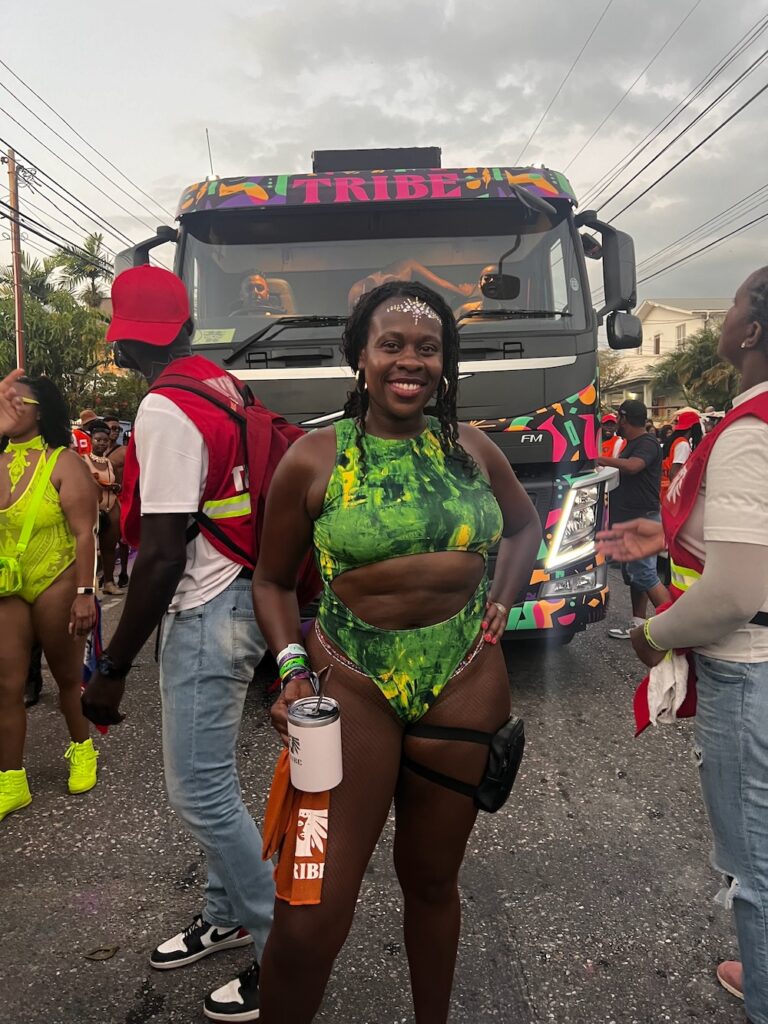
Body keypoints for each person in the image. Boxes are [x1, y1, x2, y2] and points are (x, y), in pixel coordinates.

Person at [252, 280, 542, 1023]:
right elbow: (273, 582)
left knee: (433, 883)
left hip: (464, 684)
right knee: (310, 907)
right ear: (360, 357)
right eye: (392, 345)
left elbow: (524, 526)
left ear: (445, 364)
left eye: (428, 347)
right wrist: (290, 672)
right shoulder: (313, 458)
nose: (410, 360)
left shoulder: (474, 449)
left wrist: (503, 601)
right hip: (350, 687)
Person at [81, 265, 275, 1022]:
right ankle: (226, 914)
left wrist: (113, 668)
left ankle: (280, 944)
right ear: (187, 329)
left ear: (127, 346)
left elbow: (161, 552)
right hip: (241, 591)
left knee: (198, 791)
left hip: (207, 606)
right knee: (216, 778)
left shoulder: (166, 406)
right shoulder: (223, 386)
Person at [596, 267, 768, 1024]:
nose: (723, 318)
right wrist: (667, 535)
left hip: (749, 674)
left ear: (753, 332)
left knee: (755, 865)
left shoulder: (748, 434)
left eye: (732, 304)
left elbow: (733, 595)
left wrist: (651, 634)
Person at [0, 375, 100, 821]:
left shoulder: (64, 462)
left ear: (40, 409)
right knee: (6, 685)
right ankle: (11, 780)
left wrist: (85, 593)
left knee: (64, 678)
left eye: (18, 401)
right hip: (8, 586)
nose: (9, 407)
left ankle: (82, 748)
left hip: (57, 580)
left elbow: (85, 533)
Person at [598, 398, 669, 639]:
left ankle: (674, 626)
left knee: (645, 574)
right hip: (632, 517)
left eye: (618, 418)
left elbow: (633, 467)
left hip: (643, 517)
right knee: (635, 575)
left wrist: (597, 459)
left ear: (623, 418)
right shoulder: (633, 442)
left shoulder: (647, 443)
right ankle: (638, 625)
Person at [82, 421, 123, 595]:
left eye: (105, 440)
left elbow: (119, 484)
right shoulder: (83, 461)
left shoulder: (109, 463)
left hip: (111, 507)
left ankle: (109, 583)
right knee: (88, 549)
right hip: (91, 509)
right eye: (98, 439)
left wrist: (115, 486)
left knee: (109, 548)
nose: (102, 443)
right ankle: (88, 587)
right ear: (92, 440)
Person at [102, 412, 130, 588]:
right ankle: (107, 575)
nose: (116, 432)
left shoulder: (124, 452)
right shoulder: (97, 450)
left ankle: (124, 572)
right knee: (104, 540)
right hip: (101, 499)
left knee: (122, 538)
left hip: (121, 498)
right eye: (112, 428)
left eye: (118, 429)